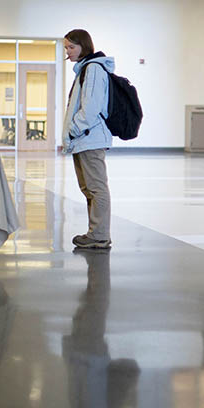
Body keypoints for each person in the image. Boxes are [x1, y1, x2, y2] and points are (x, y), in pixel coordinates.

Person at [63, 29, 114, 249]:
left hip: (89, 138)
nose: (68, 51)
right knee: (89, 189)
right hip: (84, 139)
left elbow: (91, 108)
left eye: (72, 47)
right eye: (66, 47)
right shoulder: (85, 69)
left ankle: (100, 235)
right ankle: (96, 233)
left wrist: (75, 129)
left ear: (84, 46)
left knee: (96, 188)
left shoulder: (93, 69)